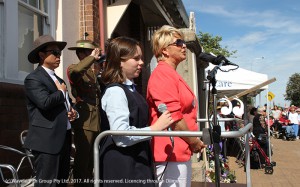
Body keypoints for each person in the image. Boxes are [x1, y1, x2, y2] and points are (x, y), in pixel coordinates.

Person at [99, 36, 174, 186]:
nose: (141, 63)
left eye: (141, 58)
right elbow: (120, 135)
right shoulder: (115, 91)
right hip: (122, 163)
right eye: (136, 58)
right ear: (120, 61)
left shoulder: (131, 89)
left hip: (137, 158)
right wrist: (155, 128)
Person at [146, 25, 206, 187]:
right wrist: (193, 142)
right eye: (178, 43)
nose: (184, 46)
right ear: (164, 50)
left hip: (179, 150)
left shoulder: (171, 74)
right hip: (170, 153)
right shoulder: (163, 75)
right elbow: (173, 116)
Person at [24, 35, 78, 187]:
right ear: (41, 55)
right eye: (54, 52)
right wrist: (61, 93)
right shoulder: (33, 79)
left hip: (64, 139)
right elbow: (44, 102)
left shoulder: (59, 80)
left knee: (61, 182)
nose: (59, 56)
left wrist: (73, 113)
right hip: (46, 142)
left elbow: (68, 105)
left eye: (60, 52)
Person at [67, 40, 104, 185]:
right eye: (89, 52)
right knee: (82, 161)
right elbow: (76, 72)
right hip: (84, 120)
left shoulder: (91, 73)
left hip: (95, 120)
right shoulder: (73, 68)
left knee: (91, 161)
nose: (93, 55)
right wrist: (91, 58)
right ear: (81, 53)